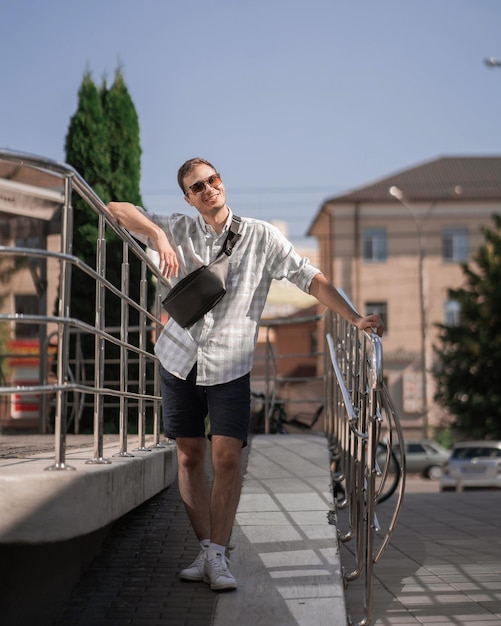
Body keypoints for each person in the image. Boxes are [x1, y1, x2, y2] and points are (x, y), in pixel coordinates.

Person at [105, 157, 384, 592]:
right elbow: (113, 208)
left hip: (230, 364)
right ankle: (207, 550)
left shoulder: (261, 237)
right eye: (198, 187)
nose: (209, 189)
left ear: (222, 183)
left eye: (213, 180)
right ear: (188, 197)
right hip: (178, 357)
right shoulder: (177, 227)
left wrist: (352, 317)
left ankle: (218, 553)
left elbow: (310, 278)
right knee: (188, 457)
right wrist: (156, 234)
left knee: (227, 458)